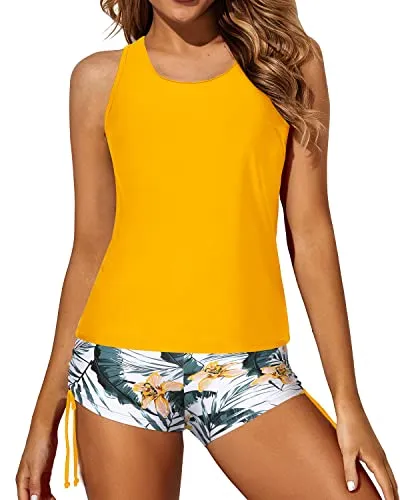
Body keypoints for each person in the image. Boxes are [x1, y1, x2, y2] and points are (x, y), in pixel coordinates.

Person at [16, 1, 398, 499]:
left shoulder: (287, 67)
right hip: (118, 367)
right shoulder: (98, 80)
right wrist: (43, 418)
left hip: (246, 369)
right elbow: (89, 249)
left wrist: (348, 403)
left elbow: (310, 232)